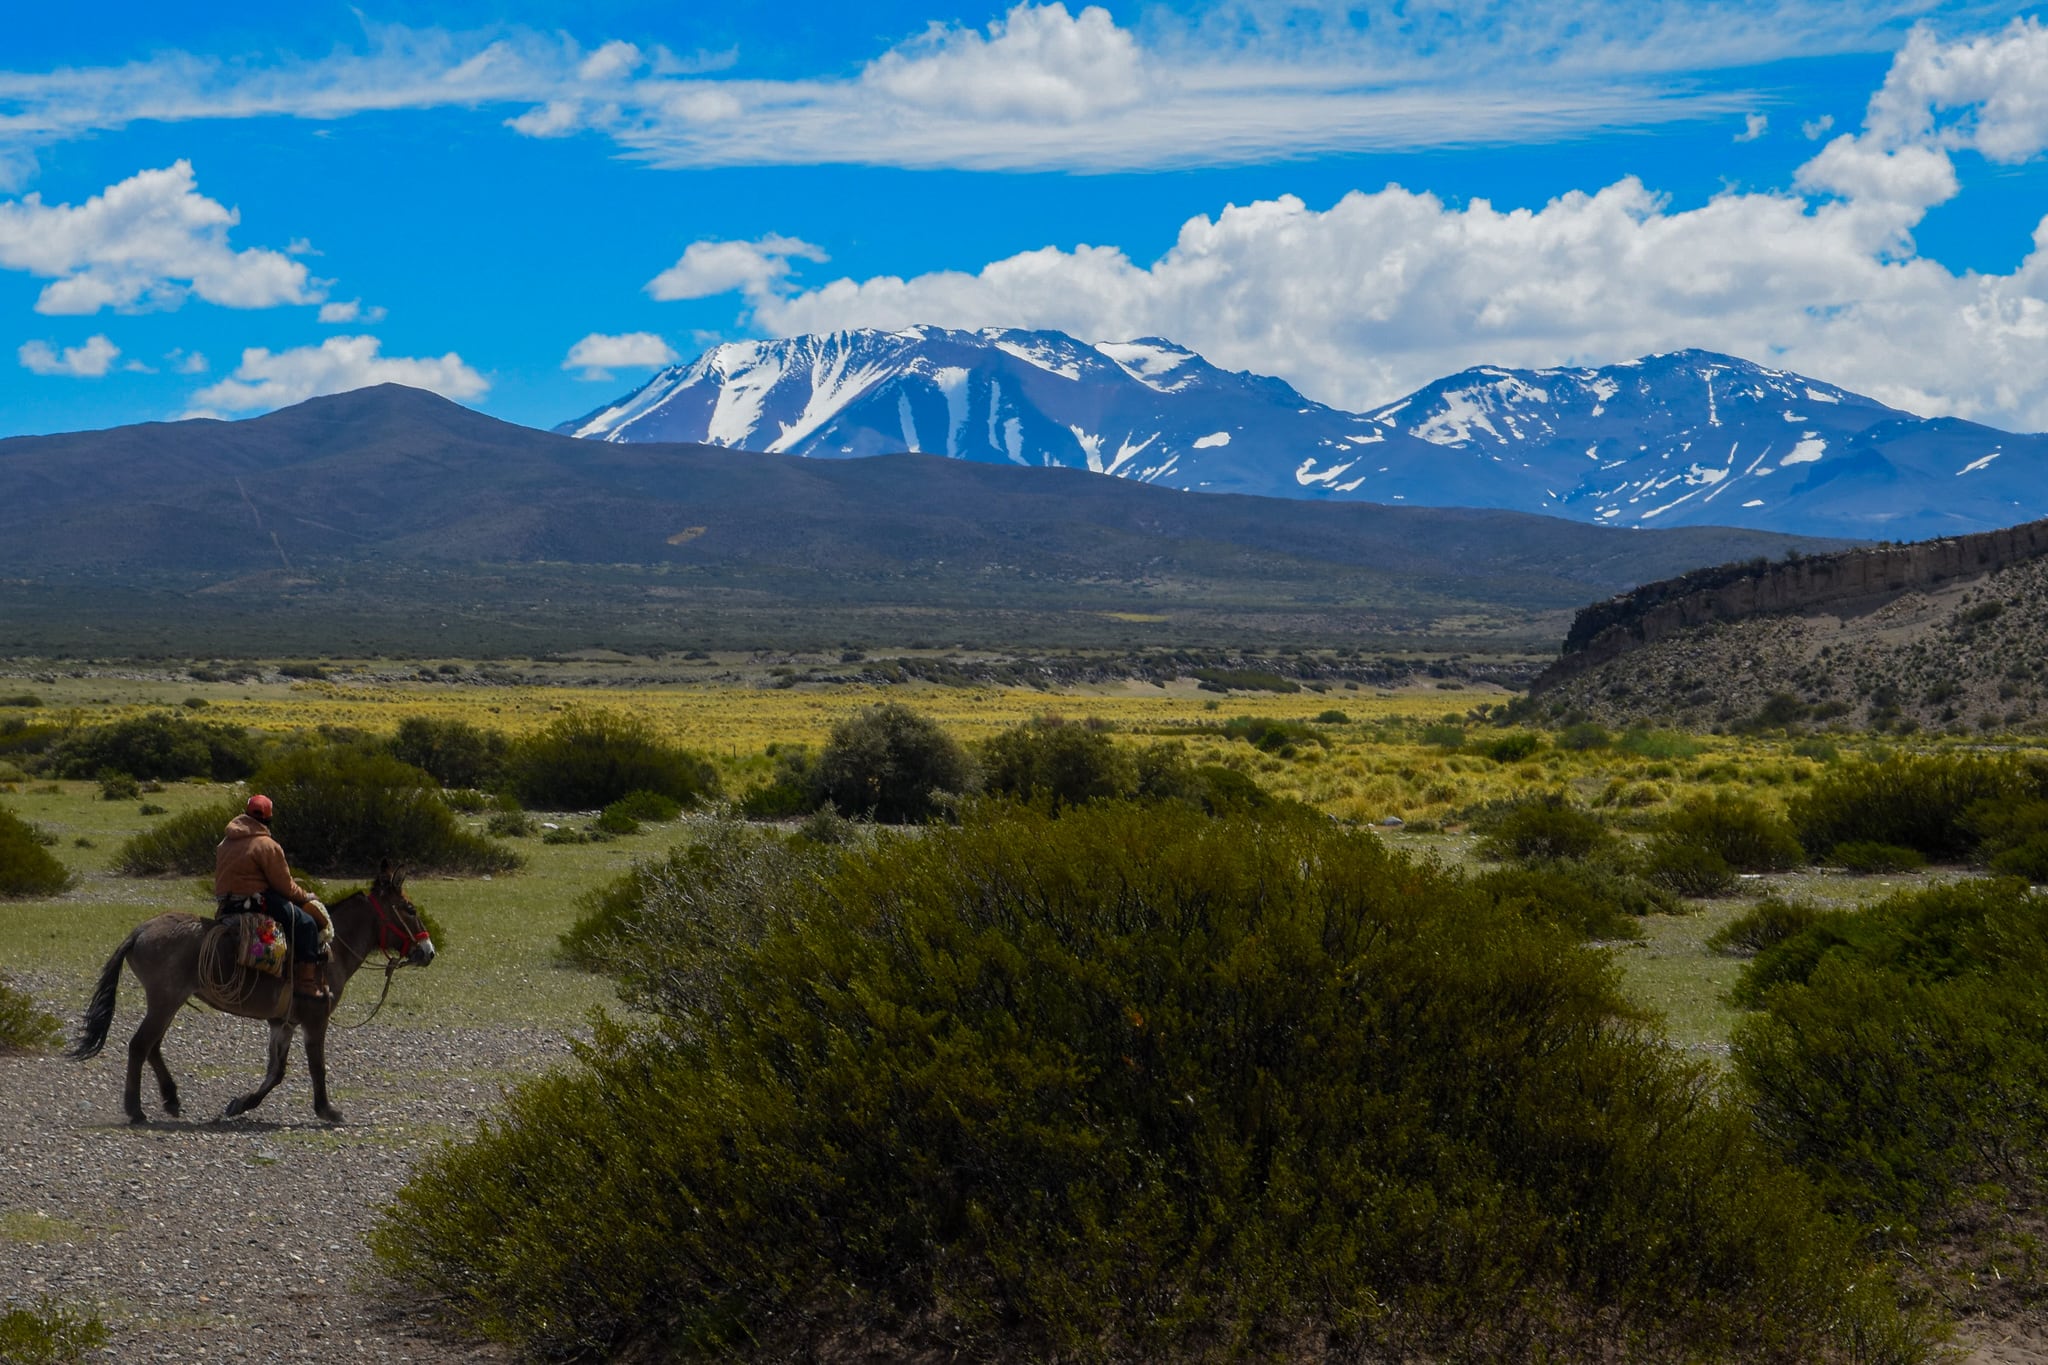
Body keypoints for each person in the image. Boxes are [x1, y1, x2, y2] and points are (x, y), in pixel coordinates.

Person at [214, 794, 333, 1001]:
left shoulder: (226, 841)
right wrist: (306, 896)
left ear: (246, 813)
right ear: (269, 819)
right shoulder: (266, 845)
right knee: (305, 923)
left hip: (228, 904)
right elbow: (284, 886)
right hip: (256, 901)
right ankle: (306, 983)